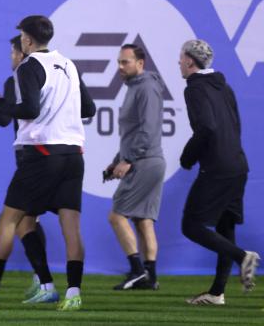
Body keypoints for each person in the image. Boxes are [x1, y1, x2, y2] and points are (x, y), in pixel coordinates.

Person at [0, 15, 88, 312]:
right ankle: (72, 293)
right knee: (70, 226)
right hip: (73, 154)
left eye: (20, 38)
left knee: (8, 221)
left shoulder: (28, 67)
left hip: (41, 155)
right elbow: (89, 107)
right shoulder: (69, 64)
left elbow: (28, 109)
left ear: (27, 40)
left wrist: (1, 106)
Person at [178, 39, 258, 305]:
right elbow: (234, 126)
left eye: (181, 58)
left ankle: (241, 257)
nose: (179, 62)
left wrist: (187, 157)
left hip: (218, 167)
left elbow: (207, 127)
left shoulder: (194, 89)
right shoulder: (224, 87)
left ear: (190, 60)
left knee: (191, 225)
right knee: (225, 226)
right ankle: (216, 292)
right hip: (238, 163)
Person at [104, 44, 166, 291]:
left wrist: (128, 160)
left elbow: (147, 130)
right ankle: (150, 276)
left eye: (125, 62)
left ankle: (138, 271)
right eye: (119, 62)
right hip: (145, 159)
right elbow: (132, 133)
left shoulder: (147, 88)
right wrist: (117, 161)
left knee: (117, 216)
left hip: (144, 162)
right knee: (143, 220)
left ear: (140, 63)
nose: (120, 67)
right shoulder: (136, 87)